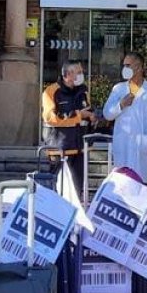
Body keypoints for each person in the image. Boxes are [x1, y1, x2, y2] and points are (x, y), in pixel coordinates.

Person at [103, 51, 147, 181]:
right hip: (122, 145)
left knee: (141, 185)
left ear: (139, 67)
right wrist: (120, 105)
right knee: (122, 184)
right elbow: (107, 114)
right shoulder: (118, 89)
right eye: (124, 65)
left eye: (128, 65)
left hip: (142, 147)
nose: (124, 69)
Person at [42, 60, 96, 194]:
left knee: (76, 192)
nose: (81, 75)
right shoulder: (52, 92)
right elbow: (51, 118)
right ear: (67, 74)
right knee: (57, 191)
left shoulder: (83, 92)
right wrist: (79, 115)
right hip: (59, 149)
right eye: (78, 72)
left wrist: (92, 119)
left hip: (79, 149)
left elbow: (86, 114)